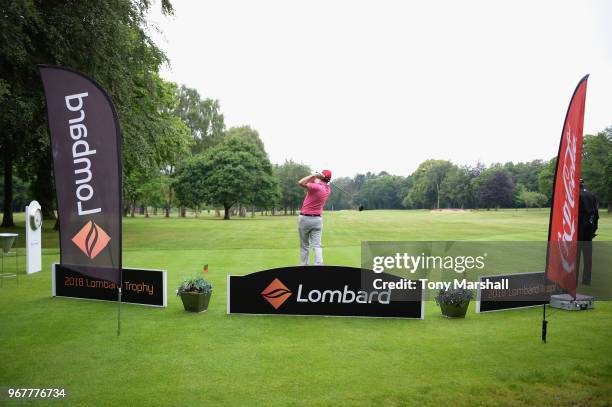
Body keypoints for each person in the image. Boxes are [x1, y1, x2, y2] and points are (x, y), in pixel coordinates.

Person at [297, 170, 332, 266]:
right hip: (317, 220)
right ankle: (319, 265)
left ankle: (304, 266)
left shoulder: (316, 187)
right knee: (317, 245)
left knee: (304, 245)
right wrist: (317, 177)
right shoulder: (327, 189)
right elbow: (314, 183)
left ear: (321, 177)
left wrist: (314, 175)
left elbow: (300, 182)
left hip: (305, 219)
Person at [576, 179, 599, 285]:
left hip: (579, 227)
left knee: (575, 255)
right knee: (588, 255)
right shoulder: (591, 195)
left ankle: (574, 279)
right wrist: (594, 229)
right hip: (589, 227)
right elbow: (596, 215)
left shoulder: (576, 195)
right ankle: (586, 280)